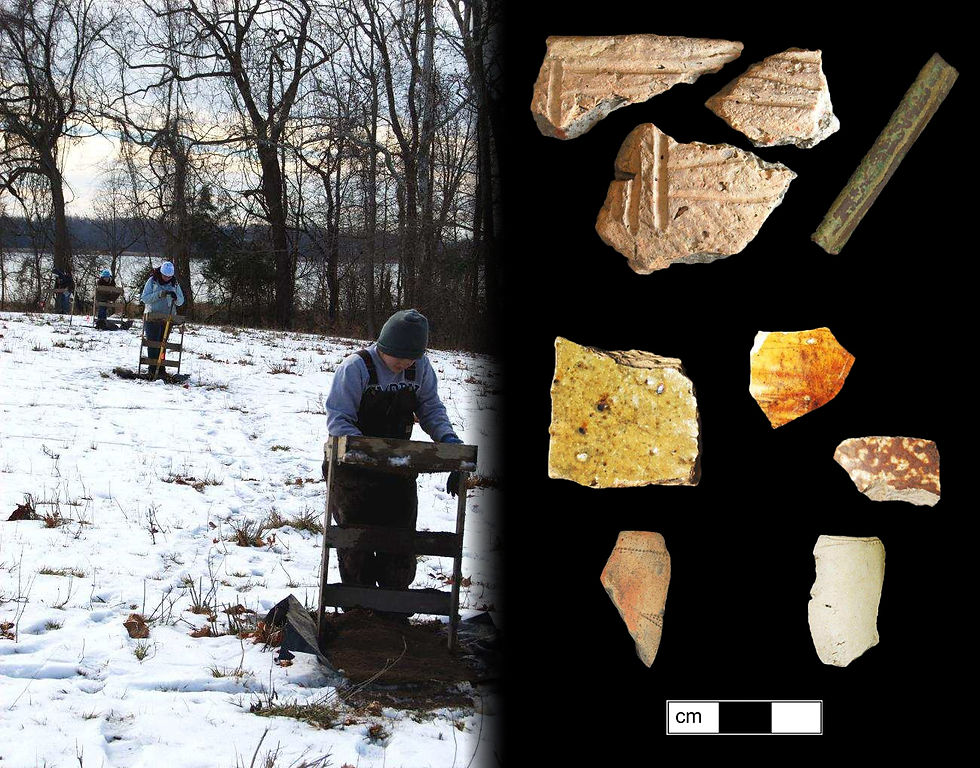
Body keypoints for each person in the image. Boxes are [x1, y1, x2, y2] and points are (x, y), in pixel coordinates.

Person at [323, 308, 464, 603]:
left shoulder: (420, 368)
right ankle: (358, 615)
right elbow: (339, 420)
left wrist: (449, 444)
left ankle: (394, 613)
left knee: (399, 547)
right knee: (355, 546)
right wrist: (369, 454)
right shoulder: (356, 368)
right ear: (384, 347)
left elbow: (431, 408)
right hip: (352, 473)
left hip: (398, 470)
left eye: (411, 359)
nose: (404, 365)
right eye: (399, 359)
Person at [140, 261, 184, 376]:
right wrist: (159, 294)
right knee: (153, 343)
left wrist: (175, 297)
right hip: (152, 316)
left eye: (169, 277)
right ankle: (152, 367)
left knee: (163, 344)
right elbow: (144, 298)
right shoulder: (152, 281)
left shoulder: (175, 284)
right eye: (165, 276)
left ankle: (161, 367)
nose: (167, 278)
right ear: (161, 273)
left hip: (167, 318)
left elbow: (181, 301)